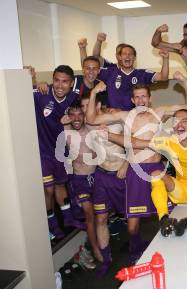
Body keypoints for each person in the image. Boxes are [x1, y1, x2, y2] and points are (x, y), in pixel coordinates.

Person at [86, 71, 187, 263]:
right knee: (132, 226)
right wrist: (94, 92)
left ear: (150, 97)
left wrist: (185, 83)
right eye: (137, 97)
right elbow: (91, 120)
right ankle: (136, 254)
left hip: (155, 169)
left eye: (144, 96)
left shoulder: (160, 112)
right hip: (136, 172)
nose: (141, 100)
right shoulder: (124, 115)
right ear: (132, 99)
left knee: (172, 214)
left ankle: (179, 252)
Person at [104, 109, 187, 237]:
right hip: (181, 192)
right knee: (155, 174)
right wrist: (108, 135)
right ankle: (163, 219)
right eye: (176, 122)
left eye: (184, 121)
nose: (180, 125)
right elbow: (136, 142)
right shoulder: (169, 141)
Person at [31, 65, 83, 239]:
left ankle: (68, 218)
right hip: (43, 151)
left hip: (61, 153)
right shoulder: (41, 94)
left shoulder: (74, 100)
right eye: (57, 80)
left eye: (65, 82)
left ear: (71, 83)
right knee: (49, 190)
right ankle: (52, 223)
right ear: (53, 80)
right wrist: (29, 77)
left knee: (61, 185)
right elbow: (17, 91)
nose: (60, 85)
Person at [81, 92, 128, 276]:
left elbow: (134, 141)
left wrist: (126, 163)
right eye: (83, 107)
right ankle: (107, 259)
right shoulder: (85, 123)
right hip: (101, 176)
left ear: (98, 105)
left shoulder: (116, 119)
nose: (86, 110)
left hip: (121, 173)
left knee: (131, 216)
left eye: (88, 106)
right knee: (101, 218)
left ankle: (135, 252)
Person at [61, 100, 102, 265]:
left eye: (80, 114)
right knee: (89, 214)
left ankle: (94, 245)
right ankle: (96, 249)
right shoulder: (65, 132)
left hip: (96, 177)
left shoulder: (91, 129)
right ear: (68, 116)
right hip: (79, 180)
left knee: (100, 215)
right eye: (73, 114)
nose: (76, 118)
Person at [97, 43, 169, 110]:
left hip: (136, 117)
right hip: (114, 118)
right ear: (120, 57)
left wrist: (165, 59)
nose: (127, 56)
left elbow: (163, 77)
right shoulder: (110, 72)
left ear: (134, 58)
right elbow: (89, 69)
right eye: (124, 54)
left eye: (130, 54)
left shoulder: (142, 74)